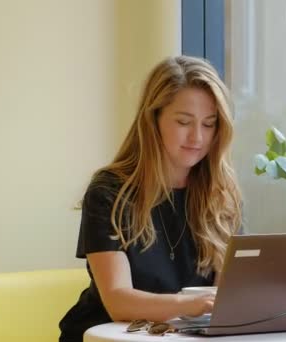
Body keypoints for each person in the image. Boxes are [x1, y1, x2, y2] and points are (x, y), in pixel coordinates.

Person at [58, 55, 243, 342]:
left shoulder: (221, 197)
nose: (197, 137)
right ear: (152, 119)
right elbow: (118, 301)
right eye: (184, 121)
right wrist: (190, 305)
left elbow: (227, 298)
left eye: (209, 124)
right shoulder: (108, 192)